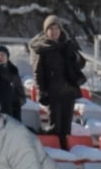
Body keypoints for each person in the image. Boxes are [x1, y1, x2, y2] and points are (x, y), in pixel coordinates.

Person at [29, 14, 86, 150]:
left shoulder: (67, 44)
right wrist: (42, 91)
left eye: (56, 28)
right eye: (50, 29)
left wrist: (75, 55)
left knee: (66, 127)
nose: (54, 32)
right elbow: (38, 73)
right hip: (53, 92)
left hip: (69, 90)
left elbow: (80, 64)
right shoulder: (42, 48)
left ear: (60, 30)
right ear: (46, 31)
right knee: (56, 127)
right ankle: (55, 151)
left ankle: (66, 151)